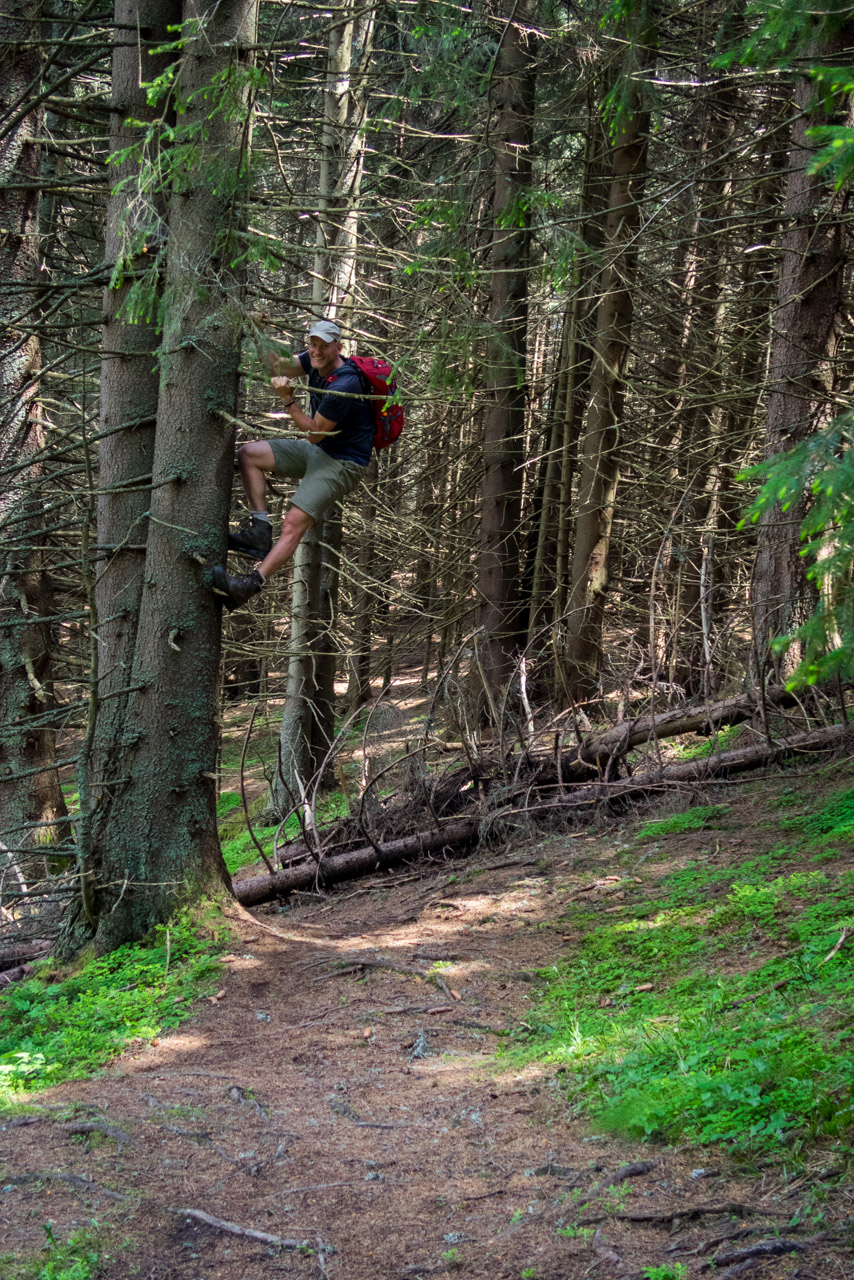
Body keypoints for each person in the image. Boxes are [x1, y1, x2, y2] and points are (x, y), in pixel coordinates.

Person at [211, 318, 373, 611]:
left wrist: (288, 400)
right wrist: (258, 332)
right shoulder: (312, 360)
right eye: (313, 344)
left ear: (338, 346)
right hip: (322, 450)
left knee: (293, 523)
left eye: (324, 346)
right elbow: (277, 367)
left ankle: (248, 585)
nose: (317, 351)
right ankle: (259, 531)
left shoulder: (346, 382)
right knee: (249, 454)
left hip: (342, 463)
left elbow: (313, 434)